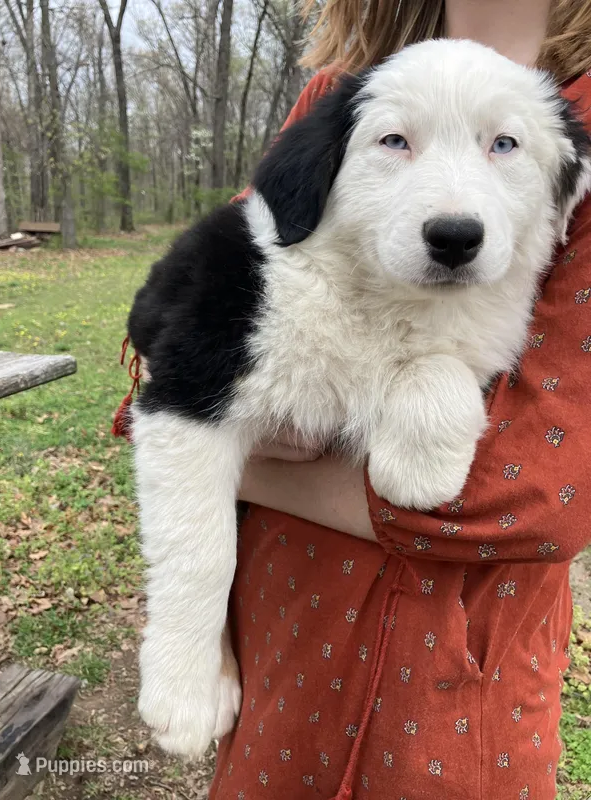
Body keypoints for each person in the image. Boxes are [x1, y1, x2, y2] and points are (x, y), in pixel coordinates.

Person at [209, 2, 591, 799]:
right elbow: (200, 315)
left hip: (453, 696)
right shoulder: (339, 95)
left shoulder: (576, 116)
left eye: (501, 149)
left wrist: (229, 459)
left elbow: (538, 493)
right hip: (282, 630)